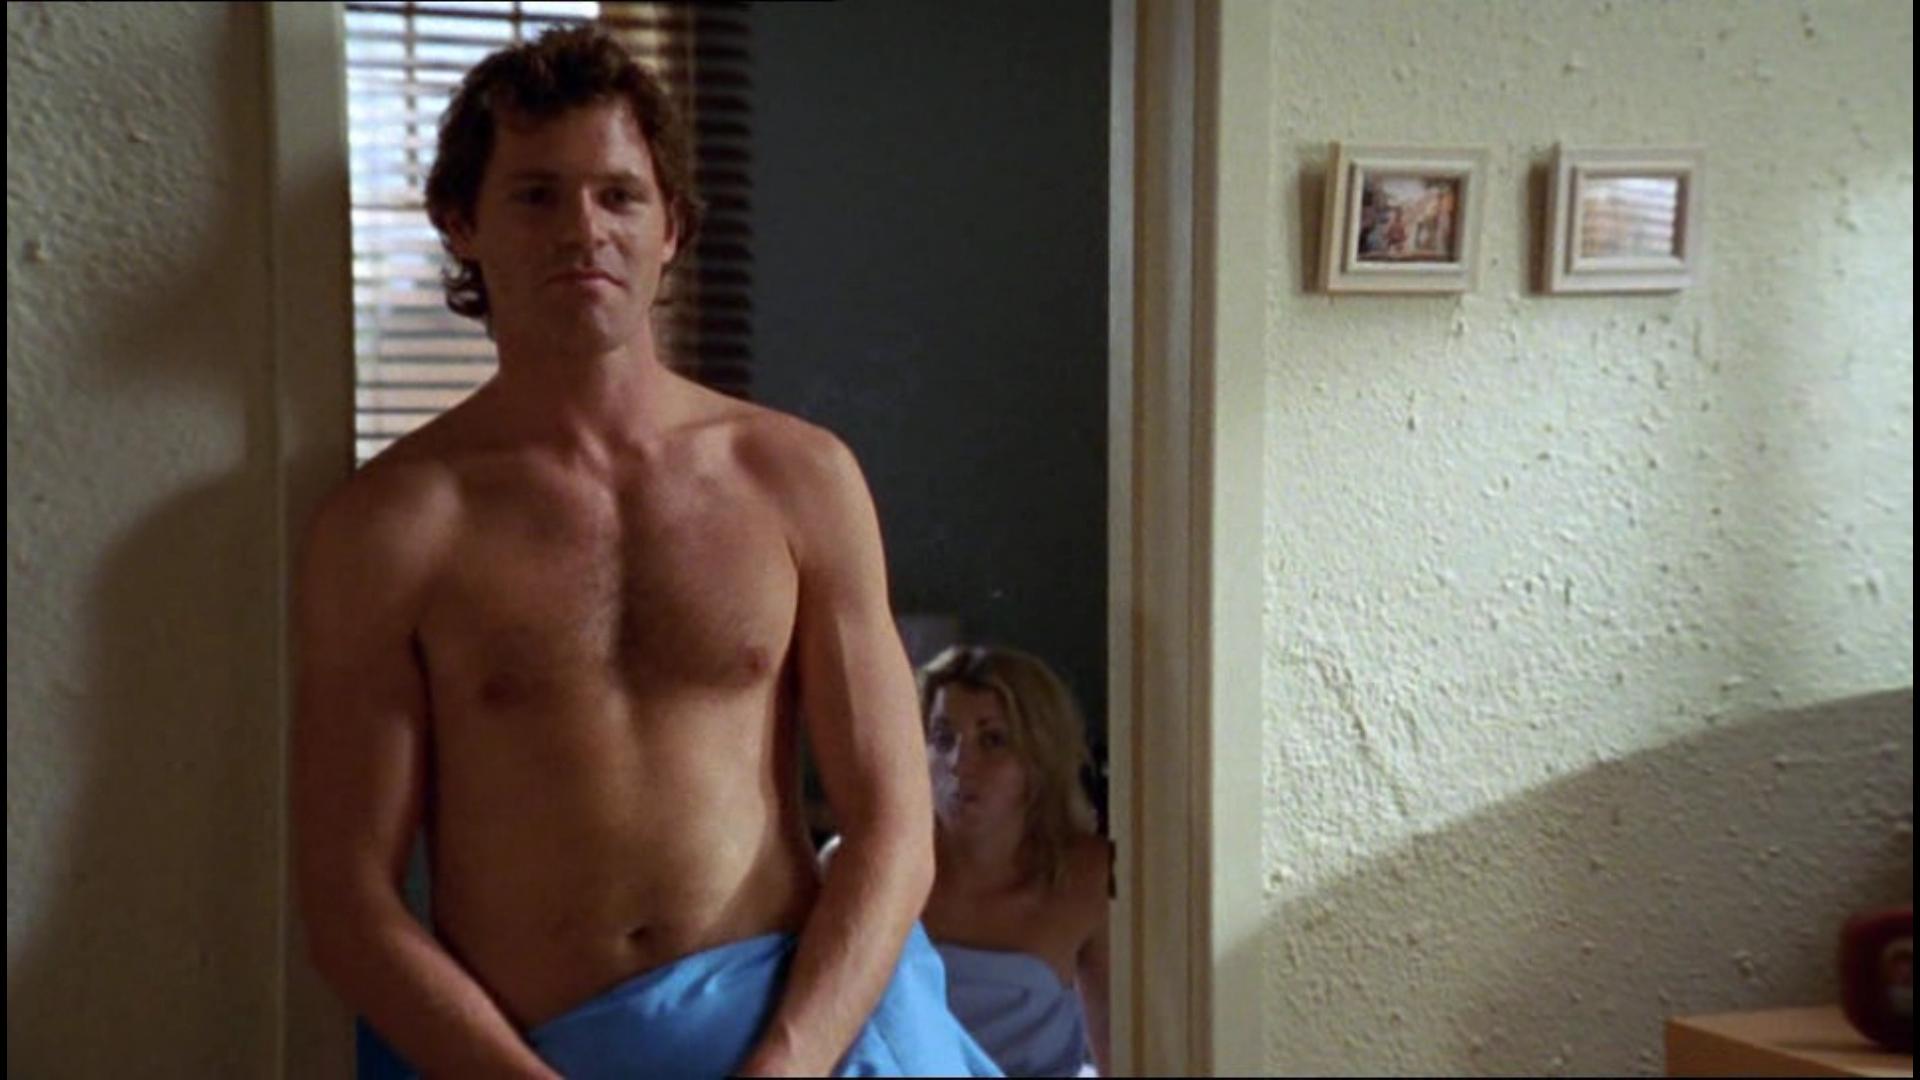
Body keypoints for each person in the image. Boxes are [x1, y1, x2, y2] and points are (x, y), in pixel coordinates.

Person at [293, 26, 997, 1079]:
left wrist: (787, 1065)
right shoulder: (395, 523)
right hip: (531, 1057)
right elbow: (348, 899)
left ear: (672, 227)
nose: (584, 228)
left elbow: (895, 829)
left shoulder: (797, 478)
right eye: (537, 195)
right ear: (461, 223)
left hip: (809, 1043)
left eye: (620, 195)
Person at [919, 646, 1112, 1077]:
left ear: (1039, 757)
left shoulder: (1088, 878)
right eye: (943, 739)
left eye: (993, 740)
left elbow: (1124, 1053)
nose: (959, 763)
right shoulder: (865, 871)